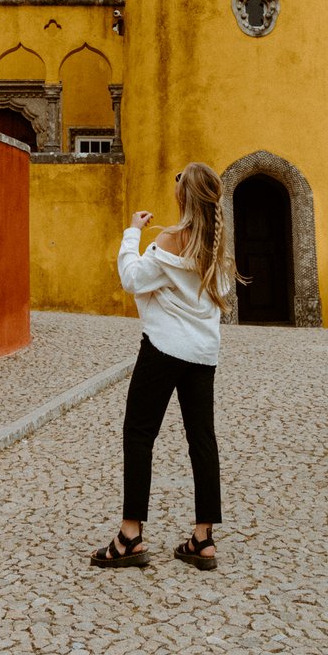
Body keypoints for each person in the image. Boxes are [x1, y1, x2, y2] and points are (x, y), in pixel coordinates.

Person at [91, 161, 236, 572]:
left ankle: (129, 535)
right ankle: (203, 538)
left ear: (183, 196)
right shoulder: (217, 245)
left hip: (163, 349)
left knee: (139, 434)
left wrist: (133, 231)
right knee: (202, 441)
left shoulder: (172, 239)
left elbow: (132, 279)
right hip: (203, 353)